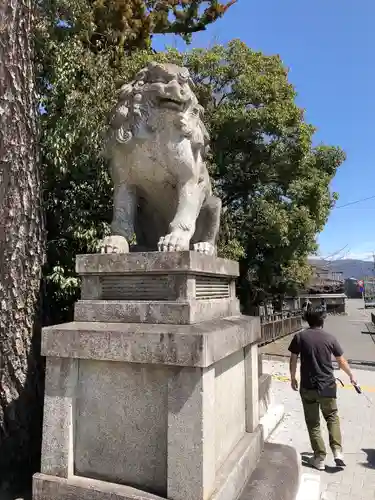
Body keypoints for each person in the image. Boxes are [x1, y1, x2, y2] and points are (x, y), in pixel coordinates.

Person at [288, 307, 355, 471]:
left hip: (308, 386)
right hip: (327, 386)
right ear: (322, 320)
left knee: (313, 423)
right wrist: (352, 376)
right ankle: (337, 451)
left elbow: (293, 359)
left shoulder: (299, 337)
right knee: (332, 417)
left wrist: (292, 377)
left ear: (307, 320)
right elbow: (341, 361)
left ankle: (319, 458)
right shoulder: (330, 338)